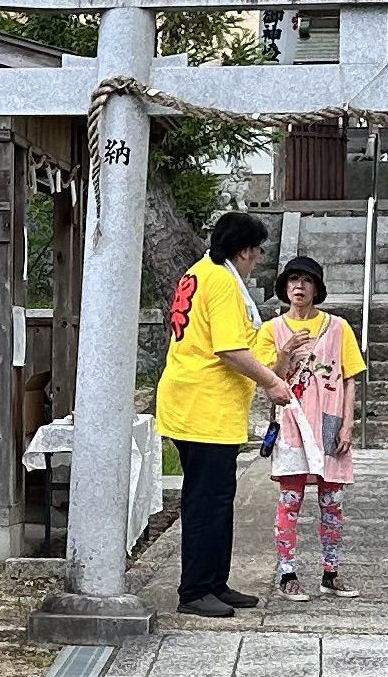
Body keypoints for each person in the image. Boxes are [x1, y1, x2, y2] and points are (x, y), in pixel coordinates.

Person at [154, 211, 292, 621]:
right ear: (245, 251)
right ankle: (195, 588)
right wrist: (272, 381)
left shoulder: (201, 272)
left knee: (218, 499)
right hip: (203, 405)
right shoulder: (222, 283)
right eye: (257, 253)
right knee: (206, 501)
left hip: (199, 401)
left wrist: (278, 361)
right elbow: (229, 350)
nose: (256, 261)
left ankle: (214, 582)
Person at [254, 258, 364, 598]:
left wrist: (348, 425)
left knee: (333, 501)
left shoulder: (338, 327)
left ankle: (331, 571)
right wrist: (286, 351)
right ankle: (287, 573)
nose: (299, 286)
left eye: (306, 280)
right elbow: (268, 375)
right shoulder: (272, 330)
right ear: (285, 287)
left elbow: (349, 378)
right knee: (290, 499)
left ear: (317, 288)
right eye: (293, 280)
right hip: (292, 421)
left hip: (329, 421)